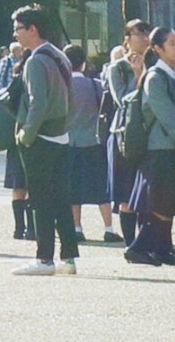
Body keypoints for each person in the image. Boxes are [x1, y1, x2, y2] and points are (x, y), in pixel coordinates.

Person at [8, 4, 78, 276]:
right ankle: (69, 257)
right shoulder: (60, 55)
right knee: (61, 199)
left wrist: (26, 134)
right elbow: (69, 98)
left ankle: (44, 258)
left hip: (41, 138)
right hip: (61, 134)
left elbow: (38, 103)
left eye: (18, 29)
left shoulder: (35, 60)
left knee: (40, 199)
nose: (16, 35)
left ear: (32, 29)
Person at [124, 25, 175, 268]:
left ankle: (163, 249)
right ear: (157, 49)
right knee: (161, 203)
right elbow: (167, 115)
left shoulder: (173, 73)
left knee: (166, 201)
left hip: (168, 146)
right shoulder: (155, 76)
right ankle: (138, 247)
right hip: (158, 147)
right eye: (172, 44)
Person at [103, 20, 153, 243]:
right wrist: (137, 73)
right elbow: (122, 99)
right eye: (138, 34)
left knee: (146, 191)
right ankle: (130, 242)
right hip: (124, 134)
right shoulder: (118, 67)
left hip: (150, 134)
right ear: (127, 39)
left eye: (146, 34)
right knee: (125, 192)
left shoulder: (156, 64)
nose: (144, 38)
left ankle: (145, 241)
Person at [63, 45, 111, 242]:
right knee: (101, 186)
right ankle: (108, 228)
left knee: (73, 188)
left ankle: (77, 227)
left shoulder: (62, 86)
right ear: (84, 63)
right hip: (93, 140)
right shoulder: (96, 85)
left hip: (69, 142)